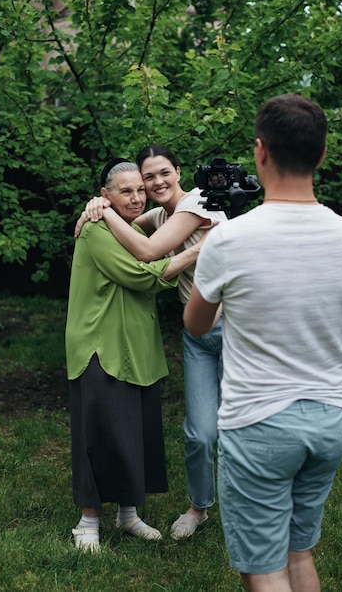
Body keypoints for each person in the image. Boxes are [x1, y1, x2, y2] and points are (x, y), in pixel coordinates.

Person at [183, 94, 342, 591]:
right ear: (322, 154)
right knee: (299, 554)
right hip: (329, 420)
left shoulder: (230, 239)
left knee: (264, 574)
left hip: (260, 425)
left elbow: (196, 325)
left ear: (260, 151)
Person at [75, 144, 227, 540]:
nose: (145, 190)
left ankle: (129, 514)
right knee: (191, 433)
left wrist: (105, 206)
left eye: (159, 176)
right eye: (140, 183)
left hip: (231, 329)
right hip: (161, 337)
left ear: (179, 171)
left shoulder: (193, 206)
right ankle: (94, 520)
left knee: (138, 430)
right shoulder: (134, 219)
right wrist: (98, 207)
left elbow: (143, 247)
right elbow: (140, 257)